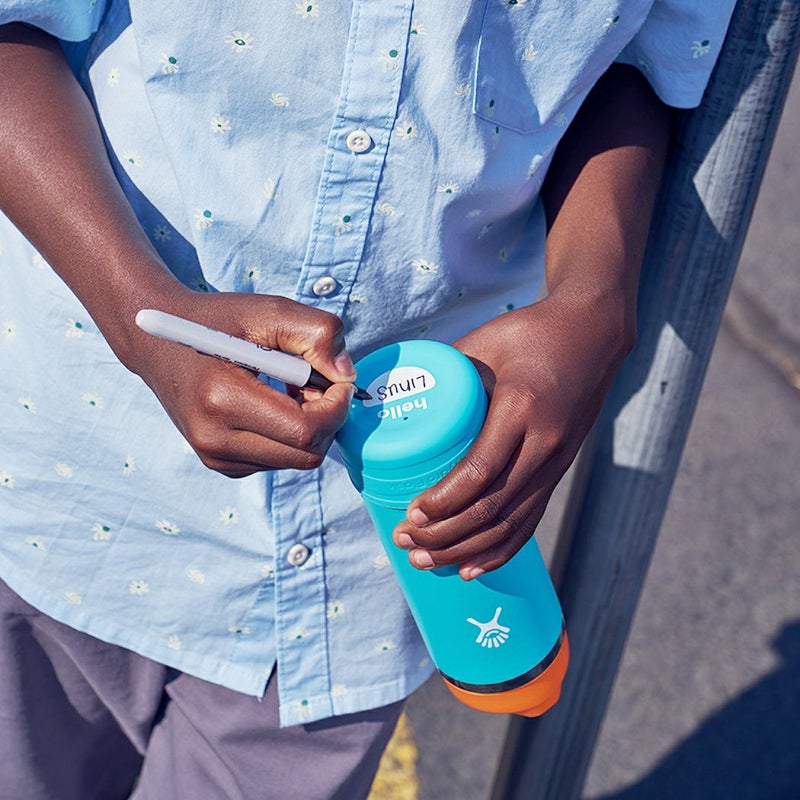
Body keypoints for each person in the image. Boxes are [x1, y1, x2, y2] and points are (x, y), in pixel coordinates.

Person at [0, 2, 736, 798]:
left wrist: (594, 296)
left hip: (362, 578)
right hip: (74, 483)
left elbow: (639, 58)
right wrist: (133, 305)